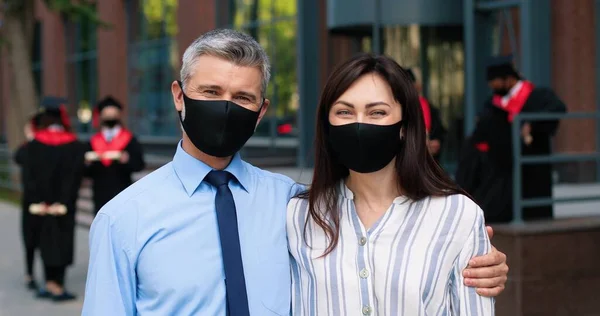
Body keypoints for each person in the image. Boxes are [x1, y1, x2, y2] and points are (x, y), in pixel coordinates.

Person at [82, 29, 508, 315]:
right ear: (179, 95)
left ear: (262, 110)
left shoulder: (292, 203)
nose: (226, 106)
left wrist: (482, 260)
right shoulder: (123, 220)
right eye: (211, 92)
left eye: (243, 97)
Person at [287, 54, 495, 315]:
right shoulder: (299, 215)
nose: (360, 123)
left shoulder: (457, 215)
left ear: (404, 127)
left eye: (377, 112)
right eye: (344, 111)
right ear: (327, 125)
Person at [456, 55, 566, 222]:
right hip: (504, 168)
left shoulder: (536, 96)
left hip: (531, 165)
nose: (491, 86)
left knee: (533, 213)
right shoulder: (493, 103)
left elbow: (558, 108)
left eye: (495, 82)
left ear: (508, 79)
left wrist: (532, 124)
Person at [20, 96, 84, 301]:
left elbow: (28, 175)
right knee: (63, 241)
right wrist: (65, 201)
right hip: (64, 205)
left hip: (42, 205)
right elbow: (75, 176)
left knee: (46, 240)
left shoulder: (34, 145)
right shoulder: (74, 145)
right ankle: (58, 284)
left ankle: (48, 283)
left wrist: (39, 200)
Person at [84, 96, 145, 214]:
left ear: (119, 115)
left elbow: (139, 165)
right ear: (101, 116)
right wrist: (87, 164)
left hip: (123, 190)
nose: (110, 117)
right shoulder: (92, 142)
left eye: (113, 114)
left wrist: (127, 160)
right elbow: (86, 173)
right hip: (100, 192)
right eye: (107, 114)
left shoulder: (130, 140)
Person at [13, 113, 43, 291]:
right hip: (29, 201)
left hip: (44, 200)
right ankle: (30, 274)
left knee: (43, 239)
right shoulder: (28, 148)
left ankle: (47, 276)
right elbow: (18, 157)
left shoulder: (44, 148)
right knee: (30, 240)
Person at [406, 68, 447, 162]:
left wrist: (436, 142)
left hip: (427, 160)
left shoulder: (427, 106)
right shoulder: (397, 109)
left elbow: (439, 131)